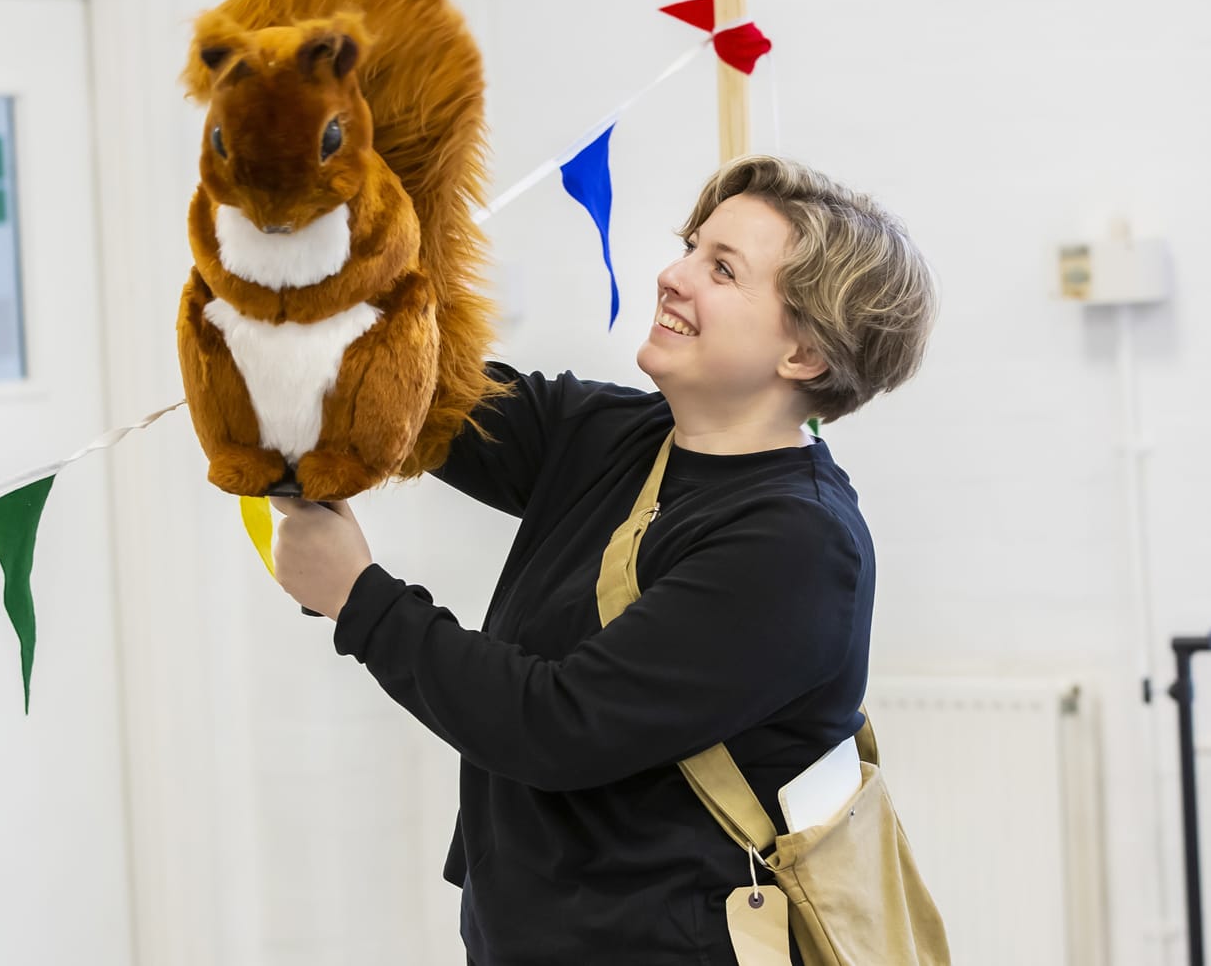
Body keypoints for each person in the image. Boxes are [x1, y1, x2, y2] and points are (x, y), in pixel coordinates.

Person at [270, 153, 939, 964]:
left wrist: (358, 598)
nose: (672, 276)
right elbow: (420, 399)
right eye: (691, 247)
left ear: (805, 356)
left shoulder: (798, 545)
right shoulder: (612, 434)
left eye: (722, 269)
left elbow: (556, 726)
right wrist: (317, 267)